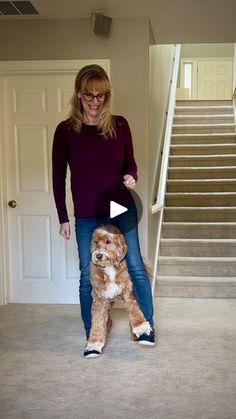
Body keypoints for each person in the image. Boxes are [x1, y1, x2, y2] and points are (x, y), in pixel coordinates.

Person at [52, 64, 155, 355]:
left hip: (118, 207)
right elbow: (58, 177)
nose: (95, 101)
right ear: (79, 94)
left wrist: (131, 175)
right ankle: (93, 336)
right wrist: (62, 216)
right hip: (86, 211)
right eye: (89, 94)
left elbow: (130, 162)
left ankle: (145, 327)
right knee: (88, 274)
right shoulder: (66, 131)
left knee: (133, 266)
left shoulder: (119, 125)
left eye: (102, 95)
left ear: (108, 96)